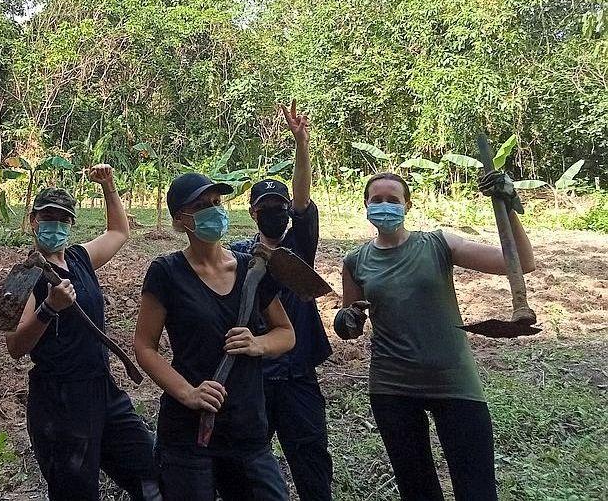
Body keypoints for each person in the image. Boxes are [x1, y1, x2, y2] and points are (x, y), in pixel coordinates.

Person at [335, 171, 536, 501]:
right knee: (418, 491)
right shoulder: (356, 261)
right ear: (366, 206)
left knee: (477, 490)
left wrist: (509, 205)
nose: (384, 206)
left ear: (408, 205)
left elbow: (521, 262)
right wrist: (347, 320)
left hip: (454, 381)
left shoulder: (439, 244)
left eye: (393, 200)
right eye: (377, 200)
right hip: (392, 387)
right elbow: (349, 324)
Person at [134, 171, 296, 501]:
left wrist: (258, 343)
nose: (214, 210)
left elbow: (285, 333)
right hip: (187, 434)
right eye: (201, 206)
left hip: (247, 427)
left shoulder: (252, 269)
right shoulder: (166, 272)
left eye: (216, 203)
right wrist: (188, 392)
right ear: (181, 220)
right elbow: (144, 346)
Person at [4, 165, 160, 501]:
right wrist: (48, 308)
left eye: (63, 220)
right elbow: (15, 346)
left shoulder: (80, 258)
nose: (55, 226)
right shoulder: (22, 275)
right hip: (60, 402)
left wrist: (109, 186)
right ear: (33, 221)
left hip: (103, 389)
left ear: (72, 224)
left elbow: (118, 232)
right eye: (48, 218)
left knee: (152, 475)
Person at [228, 101, 333, 501]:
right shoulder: (239, 255)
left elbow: (304, 201)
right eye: (266, 207)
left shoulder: (298, 248)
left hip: (297, 373)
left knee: (309, 455)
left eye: (281, 206)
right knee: (249, 460)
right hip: (253, 374)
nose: (275, 212)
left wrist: (301, 144)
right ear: (254, 212)